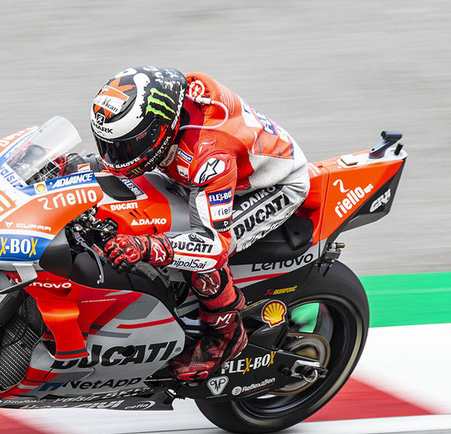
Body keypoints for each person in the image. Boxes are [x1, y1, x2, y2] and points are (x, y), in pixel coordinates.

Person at [91, 66, 309, 381]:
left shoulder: (209, 157)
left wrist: (148, 246)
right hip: (207, 173)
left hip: (270, 185)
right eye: (108, 144)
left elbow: (211, 246)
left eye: (126, 146)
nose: (115, 156)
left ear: (158, 130)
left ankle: (227, 335)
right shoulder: (169, 97)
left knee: (199, 257)